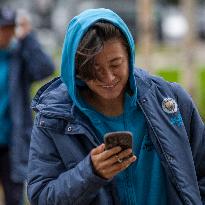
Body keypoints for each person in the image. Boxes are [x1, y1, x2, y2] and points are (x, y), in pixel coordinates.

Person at [27, 8, 205, 205]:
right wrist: (90, 173)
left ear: (129, 56)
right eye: (95, 69)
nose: (109, 78)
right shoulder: (52, 120)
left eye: (115, 64)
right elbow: (41, 197)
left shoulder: (171, 100)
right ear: (76, 69)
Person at [0, 6, 55, 205]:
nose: (5, 33)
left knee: (14, 197)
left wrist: (27, 37)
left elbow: (45, 68)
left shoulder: (18, 57)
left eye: (8, 28)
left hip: (13, 143)